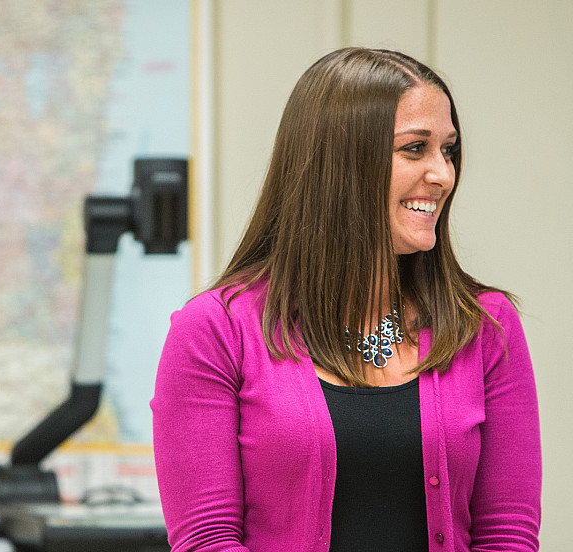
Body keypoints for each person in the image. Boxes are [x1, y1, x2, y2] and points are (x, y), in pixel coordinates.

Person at [150, 47, 541, 552]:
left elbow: (507, 534)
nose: (443, 174)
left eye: (448, 149)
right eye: (415, 149)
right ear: (341, 164)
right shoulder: (215, 330)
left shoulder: (486, 324)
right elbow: (206, 540)